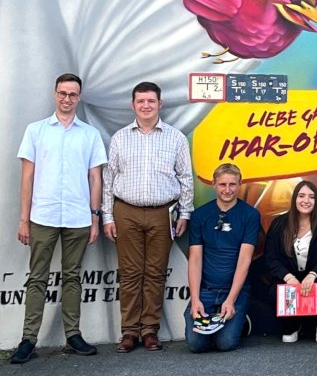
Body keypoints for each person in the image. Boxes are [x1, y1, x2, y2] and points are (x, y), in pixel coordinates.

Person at [10, 73, 107, 364]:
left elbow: (95, 178)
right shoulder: (36, 131)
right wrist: (24, 219)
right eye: (63, 93)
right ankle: (28, 340)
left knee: (73, 277)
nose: (67, 99)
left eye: (72, 94)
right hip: (43, 215)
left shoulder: (89, 134)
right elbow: (27, 177)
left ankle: (73, 336)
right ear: (55, 94)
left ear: (79, 97)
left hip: (78, 217)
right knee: (37, 278)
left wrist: (94, 218)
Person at [103, 81, 194, 352]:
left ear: (160, 104)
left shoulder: (175, 138)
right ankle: (129, 331)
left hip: (162, 213)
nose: (145, 106)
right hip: (126, 211)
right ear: (133, 104)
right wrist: (107, 215)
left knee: (155, 273)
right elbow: (109, 179)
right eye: (140, 101)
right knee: (130, 273)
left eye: (151, 101)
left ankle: (150, 330)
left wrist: (185, 213)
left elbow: (186, 178)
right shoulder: (120, 137)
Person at [185, 163, 261, 352]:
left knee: (225, 344)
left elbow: (245, 260)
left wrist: (231, 299)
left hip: (235, 290)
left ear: (239, 184)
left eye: (232, 184)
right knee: (196, 345)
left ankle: (239, 319)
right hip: (207, 290)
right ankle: (214, 321)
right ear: (214, 184)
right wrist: (195, 299)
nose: (227, 190)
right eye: (222, 184)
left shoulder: (250, 214)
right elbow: (195, 259)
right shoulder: (200, 215)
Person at [264, 180, 317, 343]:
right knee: (287, 336)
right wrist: (289, 278)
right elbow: (271, 258)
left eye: (311, 197)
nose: (306, 201)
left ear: (316, 201)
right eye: (301, 196)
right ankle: (292, 324)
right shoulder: (279, 224)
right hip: (289, 276)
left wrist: (313, 274)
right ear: (294, 199)